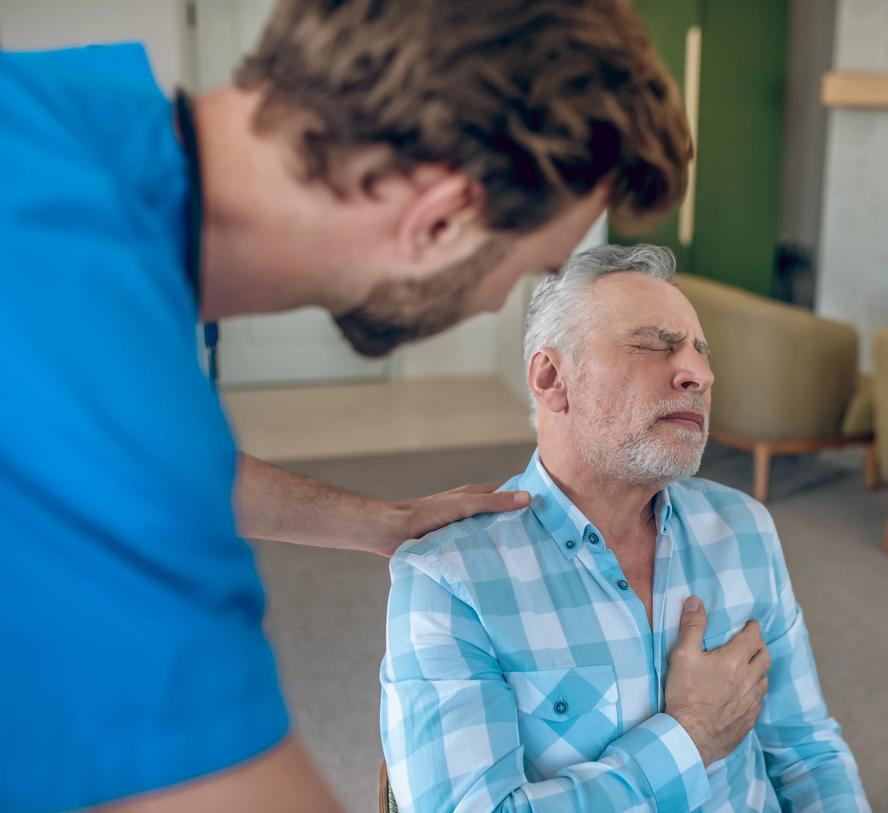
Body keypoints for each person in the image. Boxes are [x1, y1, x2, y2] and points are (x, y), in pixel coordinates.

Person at [0, 1, 690, 810]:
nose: (493, 303)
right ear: (439, 220)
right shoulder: (75, 332)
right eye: (527, 268)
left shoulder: (67, 120)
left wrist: (376, 522)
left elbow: (139, 469)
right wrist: (686, 736)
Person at [380, 244, 869, 812]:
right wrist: (691, 737)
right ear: (551, 377)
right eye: (654, 346)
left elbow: (808, 751)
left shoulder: (745, 529)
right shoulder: (450, 579)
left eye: (701, 353)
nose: (701, 374)